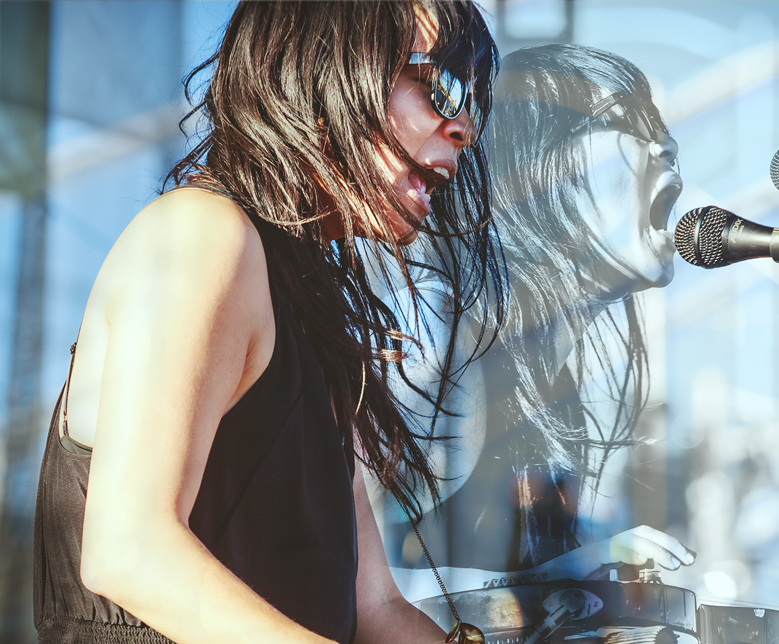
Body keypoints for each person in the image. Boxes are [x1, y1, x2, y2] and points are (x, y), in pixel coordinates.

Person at [33, 2, 504, 643]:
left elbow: (375, 610)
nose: (463, 128)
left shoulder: (310, 312)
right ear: (322, 72)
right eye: (435, 86)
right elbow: (130, 549)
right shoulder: (203, 235)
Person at [382, 44, 694, 596]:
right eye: (626, 123)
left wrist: (569, 575)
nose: (666, 147)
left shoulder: (529, 372)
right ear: (538, 164)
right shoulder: (440, 355)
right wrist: (563, 578)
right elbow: (339, 586)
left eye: (660, 128)